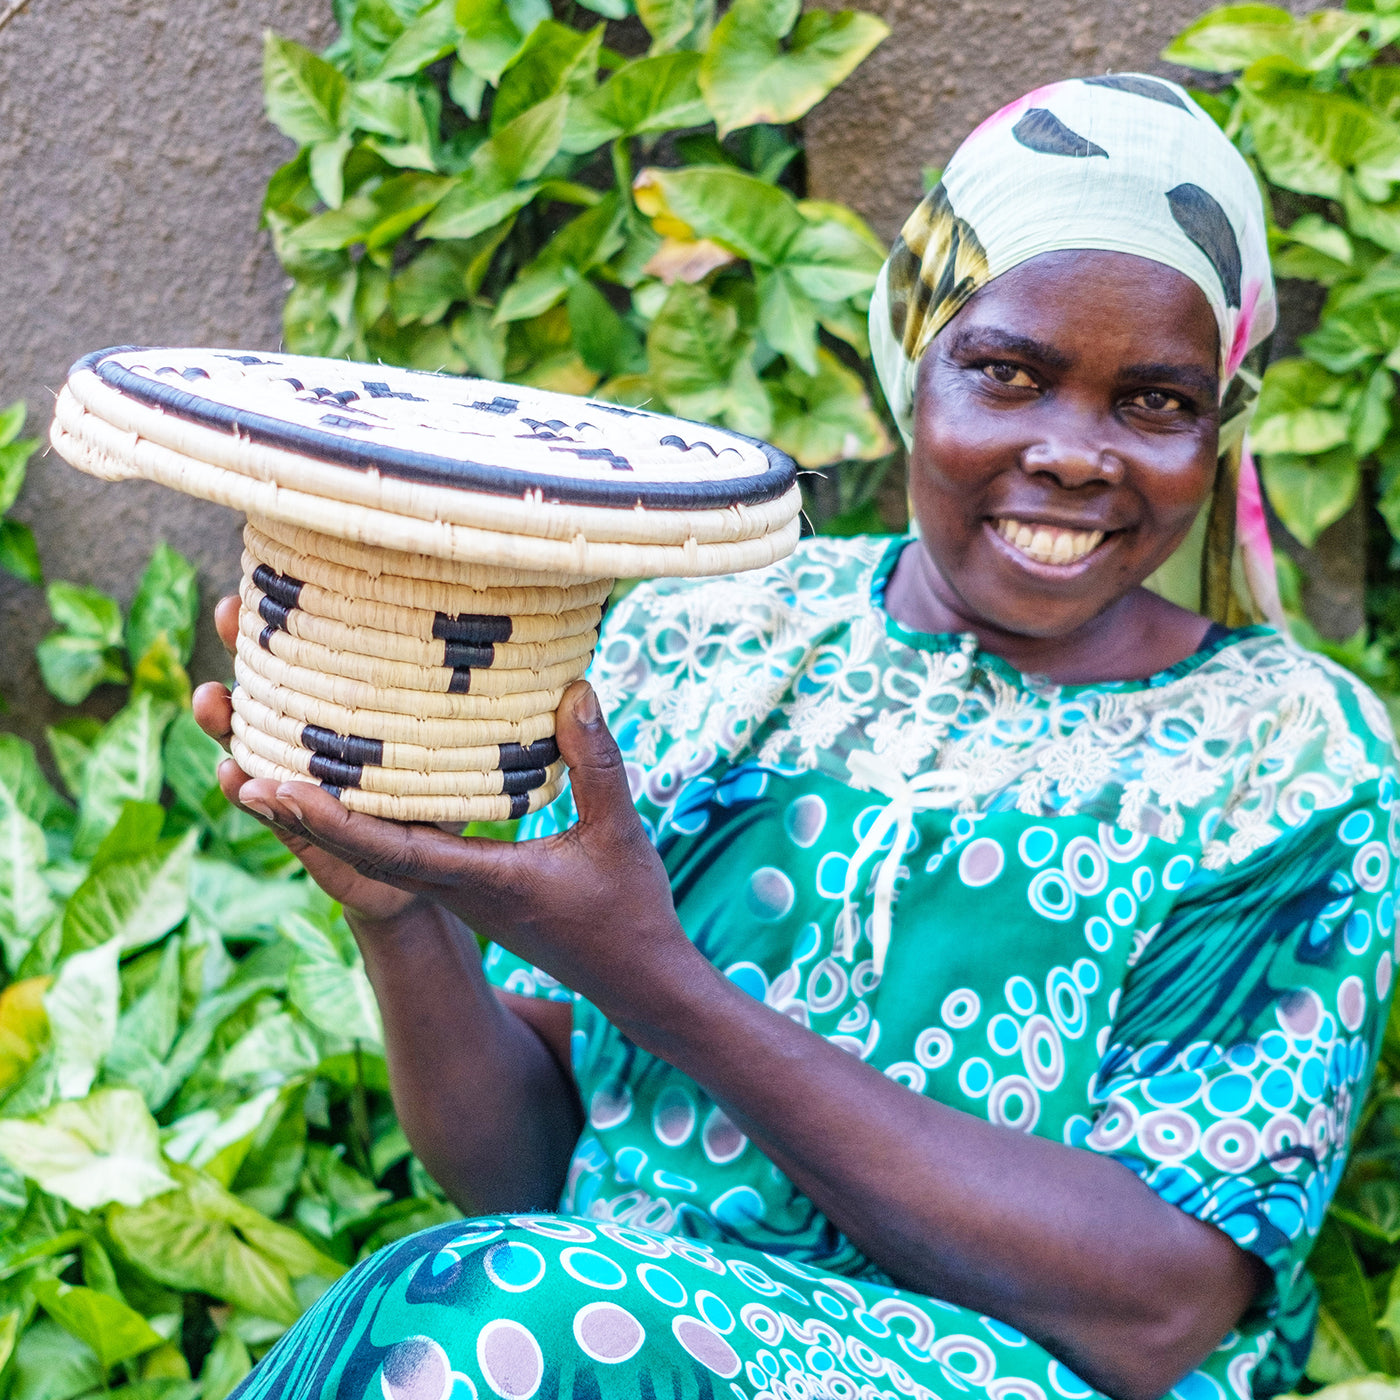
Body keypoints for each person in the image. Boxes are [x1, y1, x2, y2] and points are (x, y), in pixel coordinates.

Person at [197, 75, 1400, 1400]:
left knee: (505, 1310)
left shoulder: (1290, 762)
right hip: (609, 1339)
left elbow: (1154, 1312)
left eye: (1156, 402)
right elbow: (526, 1169)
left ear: (1216, 424)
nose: (1072, 452)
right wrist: (398, 915)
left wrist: (658, 981)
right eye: (1007, 373)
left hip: (987, 1379)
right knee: (493, 1294)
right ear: (910, 356)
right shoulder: (709, 642)